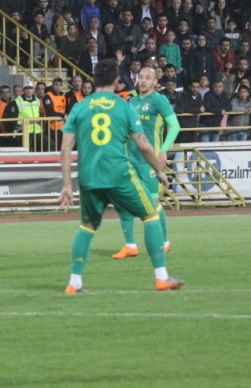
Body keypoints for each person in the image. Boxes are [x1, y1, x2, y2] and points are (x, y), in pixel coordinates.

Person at [57, 58, 184, 294]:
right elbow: (145, 145)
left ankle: (74, 282)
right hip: (119, 175)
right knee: (151, 215)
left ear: (93, 80)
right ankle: (161, 277)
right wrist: (158, 169)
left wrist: (66, 185)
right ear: (117, 81)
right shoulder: (124, 105)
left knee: (87, 227)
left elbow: (65, 149)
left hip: (89, 179)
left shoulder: (80, 107)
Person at [112, 67, 181, 260]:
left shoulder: (159, 100)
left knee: (153, 203)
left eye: (147, 78)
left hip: (149, 161)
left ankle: (164, 242)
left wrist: (163, 150)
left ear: (155, 82)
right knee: (124, 202)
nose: (143, 80)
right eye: (141, 77)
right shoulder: (131, 101)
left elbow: (175, 126)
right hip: (130, 159)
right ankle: (130, 245)